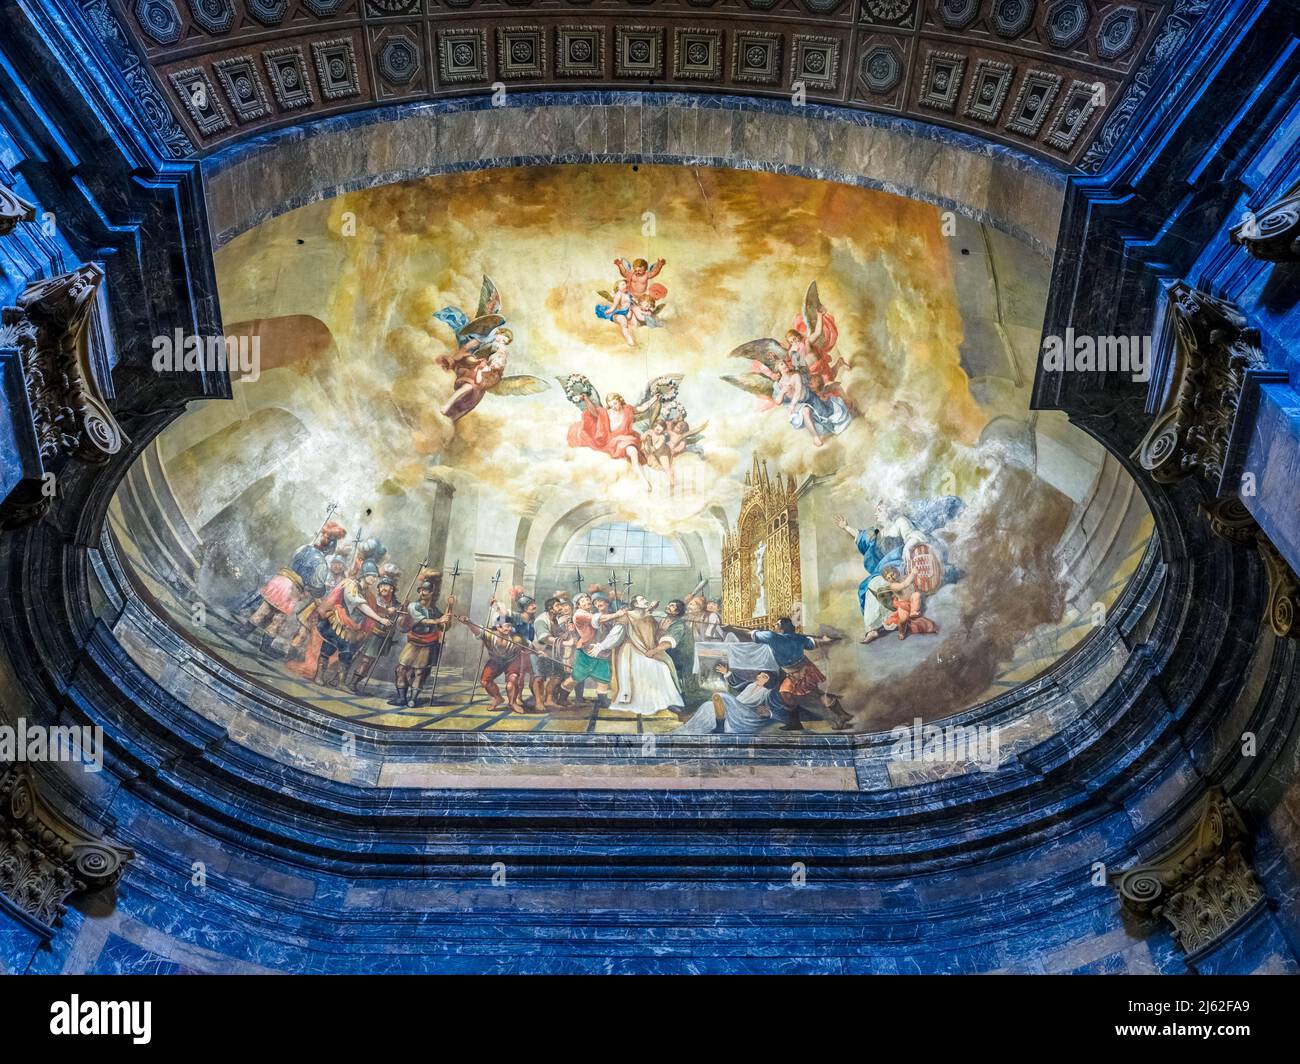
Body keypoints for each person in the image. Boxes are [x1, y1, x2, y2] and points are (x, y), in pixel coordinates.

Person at [240, 520, 346, 655]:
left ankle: (244, 630)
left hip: (279, 581)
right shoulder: (321, 564)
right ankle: (265, 646)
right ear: (329, 549)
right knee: (278, 619)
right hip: (292, 589)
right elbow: (317, 586)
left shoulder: (303, 548)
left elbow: (292, 560)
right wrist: (321, 590)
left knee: (263, 609)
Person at [752, 618, 854, 731]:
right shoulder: (798, 638)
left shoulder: (773, 637)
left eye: (777, 624)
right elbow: (814, 643)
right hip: (804, 669)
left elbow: (749, 634)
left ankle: (837, 718)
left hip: (800, 672)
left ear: (782, 628)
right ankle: (841, 714)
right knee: (809, 694)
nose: (774, 626)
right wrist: (826, 640)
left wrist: (732, 628)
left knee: (795, 695)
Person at [588, 595, 683, 716]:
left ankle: (668, 701)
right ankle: (644, 701)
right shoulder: (627, 616)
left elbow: (655, 635)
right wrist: (601, 646)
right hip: (630, 652)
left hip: (646, 649)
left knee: (663, 667)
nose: (646, 601)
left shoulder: (649, 617)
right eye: (643, 599)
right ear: (636, 604)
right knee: (648, 667)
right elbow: (616, 634)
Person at [314, 561, 391, 687]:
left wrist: (386, 611)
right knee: (328, 649)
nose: (375, 578)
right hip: (338, 622)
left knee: (347, 655)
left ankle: (340, 683)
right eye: (372, 575)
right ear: (364, 574)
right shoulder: (350, 584)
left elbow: (372, 607)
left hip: (352, 629)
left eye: (376, 576)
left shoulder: (368, 594)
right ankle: (319, 675)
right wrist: (380, 619)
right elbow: (360, 604)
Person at [389, 578, 455, 707]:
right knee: (401, 669)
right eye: (421, 590)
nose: (423, 593)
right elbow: (420, 619)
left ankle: (413, 699)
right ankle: (402, 698)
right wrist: (438, 621)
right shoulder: (413, 606)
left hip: (428, 644)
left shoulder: (434, 611)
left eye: (426, 590)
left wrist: (450, 608)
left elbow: (445, 627)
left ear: (431, 593)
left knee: (420, 672)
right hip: (413, 642)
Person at [674, 666, 777, 734]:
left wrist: (770, 713)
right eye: (760, 674)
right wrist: (726, 673)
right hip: (736, 708)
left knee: (719, 695)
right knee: (708, 705)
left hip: (746, 714)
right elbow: (737, 683)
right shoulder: (750, 685)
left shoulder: (767, 693)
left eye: (764, 677)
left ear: (769, 681)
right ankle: (693, 721)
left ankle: (720, 727)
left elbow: (776, 707)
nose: (759, 676)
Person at [347, 572, 401, 692]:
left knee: (368, 661)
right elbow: (369, 611)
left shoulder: (398, 605)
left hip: (381, 636)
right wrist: (386, 612)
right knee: (356, 656)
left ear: (392, 589)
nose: (383, 588)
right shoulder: (373, 599)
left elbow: (401, 623)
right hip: (367, 632)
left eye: (386, 586)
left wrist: (399, 612)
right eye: (381, 586)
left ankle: (354, 683)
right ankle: (344, 679)